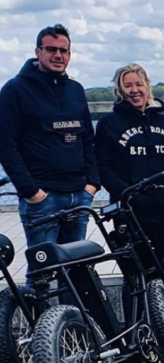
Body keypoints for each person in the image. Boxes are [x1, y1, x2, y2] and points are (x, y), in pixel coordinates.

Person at [0, 24, 100, 279]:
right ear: (38, 51)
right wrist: (31, 192)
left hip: (79, 195)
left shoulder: (75, 90)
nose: (58, 55)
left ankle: (76, 320)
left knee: (79, 272)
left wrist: (92, 184)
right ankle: (43, 320)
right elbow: (6, 145)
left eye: (64, 51)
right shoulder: (15, 90)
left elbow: (87, 140)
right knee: (44, 276)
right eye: (52, 49)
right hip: (43, 199)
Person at [95, 64, 164, 265]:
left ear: (147, 86)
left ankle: (158, 297)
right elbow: (104, 168)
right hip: (129, 212)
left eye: (139, 84)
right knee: (135, 273)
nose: (134, 90)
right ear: (120, 90)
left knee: (157, 267)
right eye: (127, 86)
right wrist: (129, 195)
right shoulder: (108, 124)